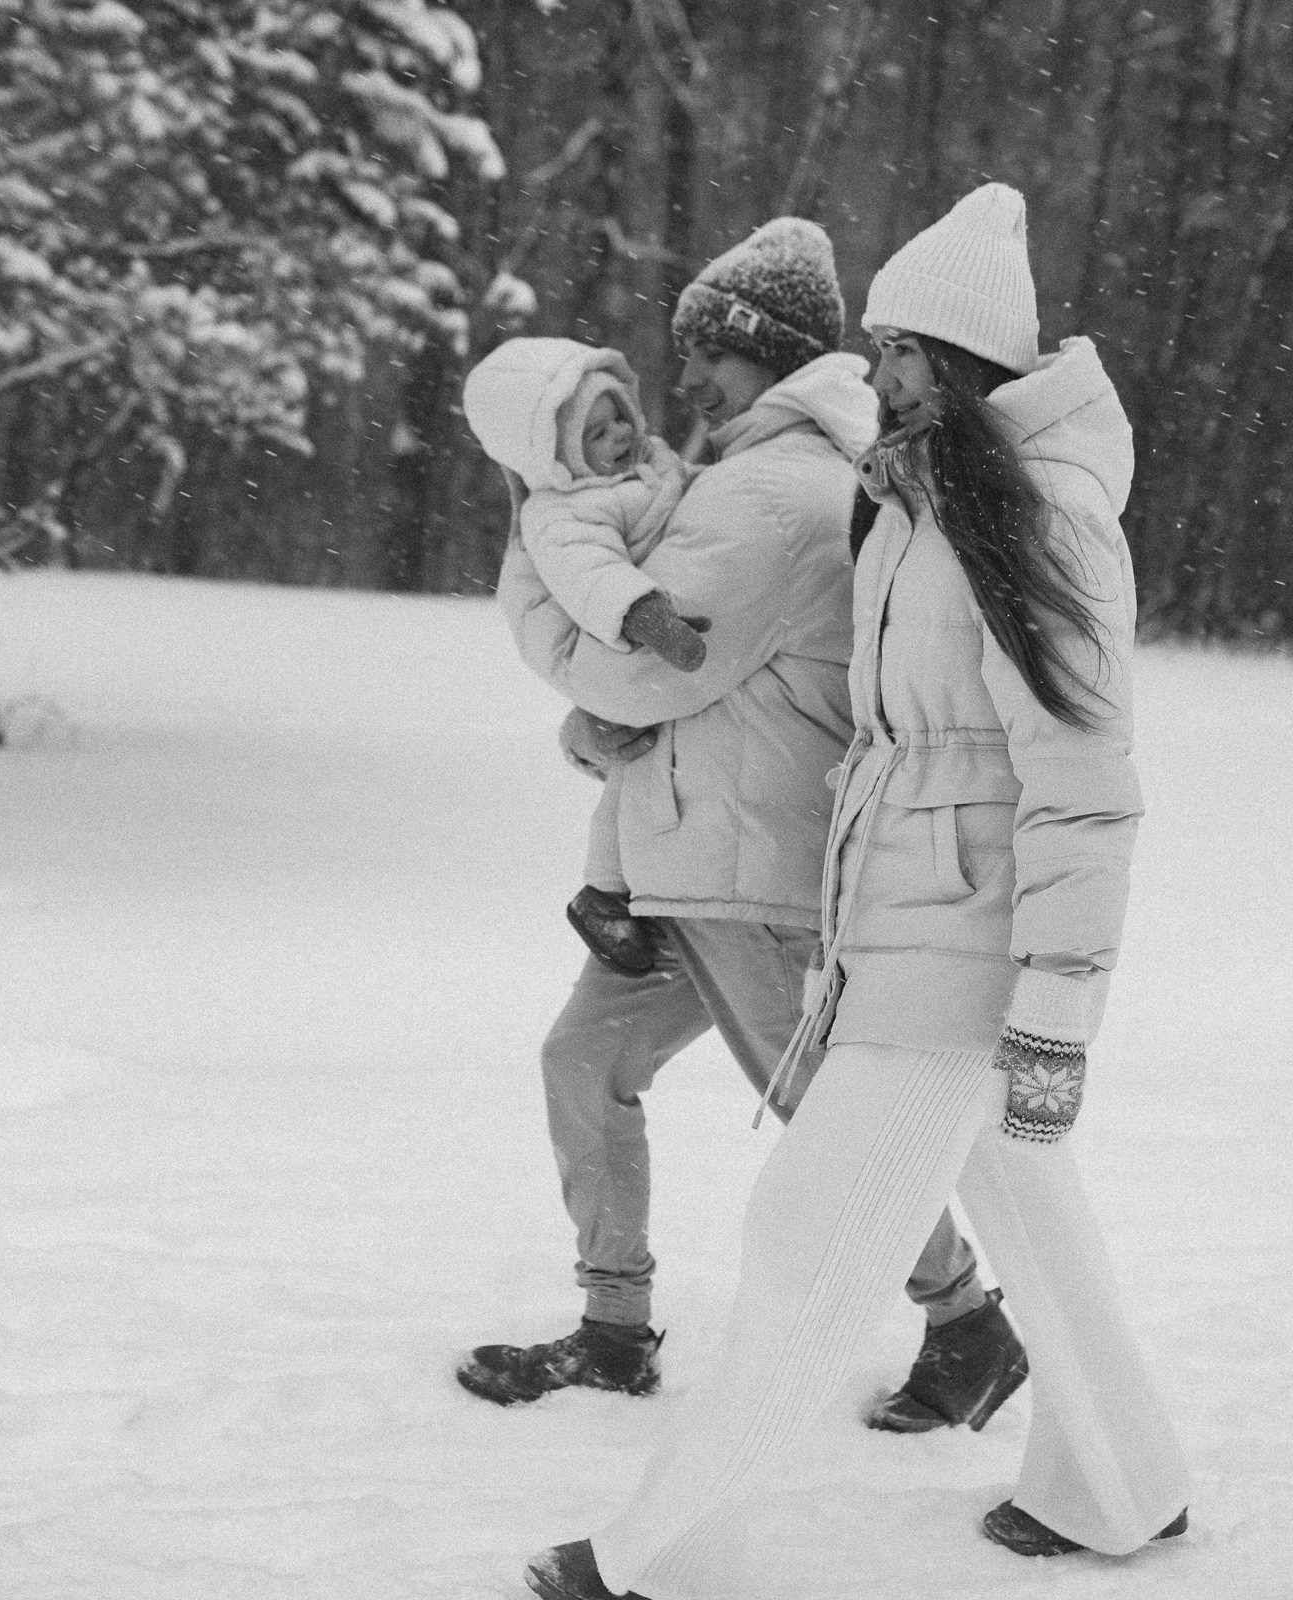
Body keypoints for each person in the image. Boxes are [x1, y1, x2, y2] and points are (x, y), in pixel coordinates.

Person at [523, 184, 1191, 1600]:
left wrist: (1059, 1006)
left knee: (808, 1243)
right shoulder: (928, 506)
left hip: (968, 949)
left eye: (893, 353)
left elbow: (1083, 776)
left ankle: (666, 1559)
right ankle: (1122, 1490)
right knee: (1032, 1220)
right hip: (905, 929)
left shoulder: (1047, 521)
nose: (870, 373)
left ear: (952, 364)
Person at [461, 217, 1025, 1436]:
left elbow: (643, 669)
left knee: (826, 1107)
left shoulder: (774, 492)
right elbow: (643, 692)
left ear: (764, 354)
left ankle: (968, 1322)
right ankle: (614, 1329)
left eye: (710, 356)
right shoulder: (743, 472)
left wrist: (534, 590)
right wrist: (595, 727)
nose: (690, 383)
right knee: (585, 1061)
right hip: (687, 845)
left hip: (750, 859)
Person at [460, 336, 711, 975]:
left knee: (637, 764)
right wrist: (649, 617)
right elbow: (590, 574)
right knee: (630, 771)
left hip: (624, 641)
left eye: (619, 414)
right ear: (557, 456)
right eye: (596, 433)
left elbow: (693, 488)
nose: (621, 434)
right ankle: (604, 892)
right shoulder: (562, 511)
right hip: (608, 630)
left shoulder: (647, 465)